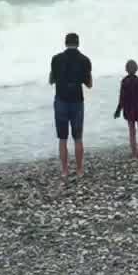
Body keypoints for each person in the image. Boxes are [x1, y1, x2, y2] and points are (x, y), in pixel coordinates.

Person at [49, 32, 93, 178]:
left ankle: (65, 171)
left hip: (61, 100)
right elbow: (89, 84)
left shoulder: (56, 59)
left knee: (62, 138)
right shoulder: (85, 60)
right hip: (77, 101)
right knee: (78, 137)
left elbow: (51, 80)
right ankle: (80, 170)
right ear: (78, 43)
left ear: (65, 43)